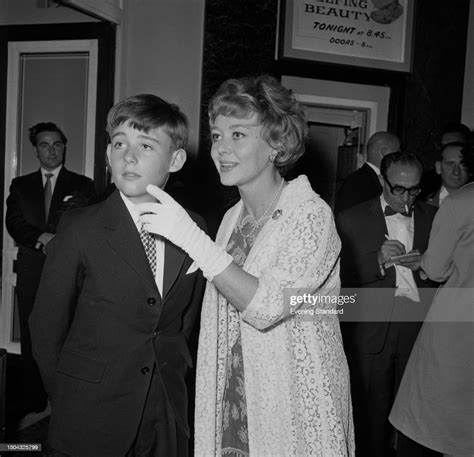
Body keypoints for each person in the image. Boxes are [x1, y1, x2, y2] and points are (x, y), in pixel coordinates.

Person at [138, 75, 354, 456]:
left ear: (277, 142)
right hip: (236, 394)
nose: (221, 148)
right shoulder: (232, 218)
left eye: (237, 134)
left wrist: (191, 239)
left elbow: (269, 306)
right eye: (217, 135)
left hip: (291, 402)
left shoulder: (310, 215)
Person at [29, 95, 206, 457]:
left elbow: (184, 321)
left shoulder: (193, 229)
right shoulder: (80, 228)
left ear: (175, 159)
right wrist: (68, 398)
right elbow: (46, 327)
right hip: (91, 412)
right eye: (119, 143)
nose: (129, 156)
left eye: (145, 145)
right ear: (108, 154)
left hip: (164, 411)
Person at [336, 151, 439, 457]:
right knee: (369, 413)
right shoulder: (350, 218)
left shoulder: (435, 218)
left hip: (419, 325)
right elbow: (340, 280)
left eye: (414, 189)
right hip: (370, 327)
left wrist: (426, 266)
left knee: (417, 411)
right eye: (398, 189)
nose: (406, 198)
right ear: (382, 181)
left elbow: (449, 277)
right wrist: (377, 261)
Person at [5, 121, 96, 416]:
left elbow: (86, 222)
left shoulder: (82, 185)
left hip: (69, 270)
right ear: (36, 150)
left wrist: (63, 239)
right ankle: (34, 399)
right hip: (32, 269)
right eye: (45, 145)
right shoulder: (21, 186)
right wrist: (38, 237)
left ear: (64, 146)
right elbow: (14, 222)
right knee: (34, 334)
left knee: (68, 332)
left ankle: (66, 400)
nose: (52, 150)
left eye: (57, 144)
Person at [390, 146, 474, 457]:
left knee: (433, 423)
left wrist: (425, 261)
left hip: (458, 325)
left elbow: (436, 268)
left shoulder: (460, 203)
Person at [335, 131, 401, 214]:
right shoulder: (357, 182)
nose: (401, 157)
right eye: (398, 151)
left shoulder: (361, 178)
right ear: (384, 152)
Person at [424, 142, 471, 207]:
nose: (456, 172)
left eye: (463, 165)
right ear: (439, 167)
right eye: (450, 164)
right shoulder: (423, 203)